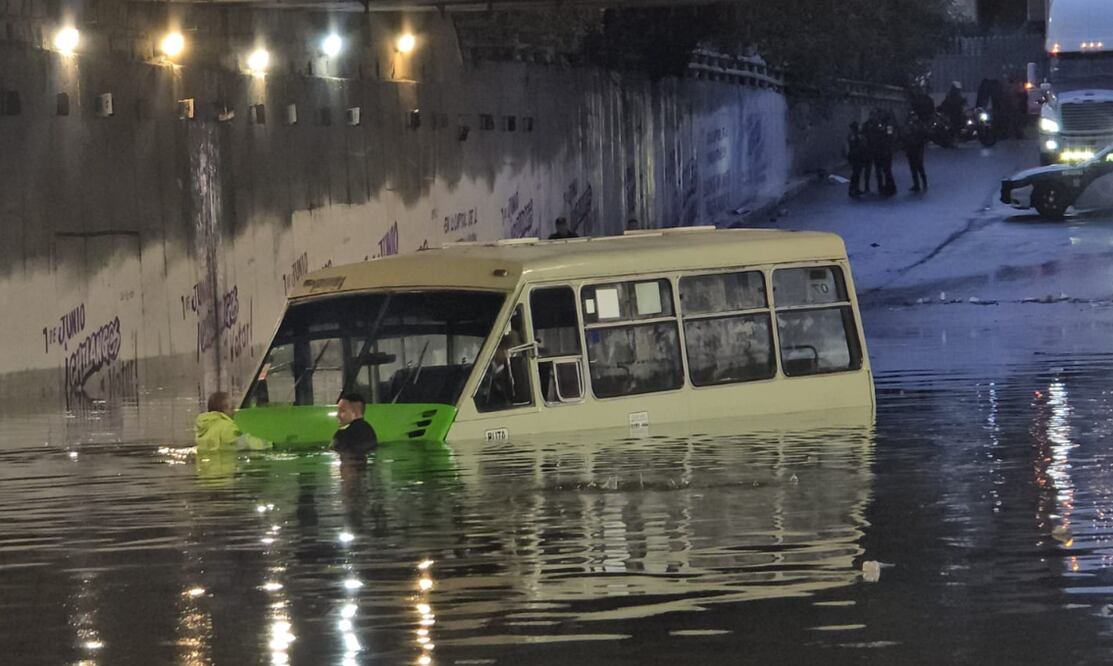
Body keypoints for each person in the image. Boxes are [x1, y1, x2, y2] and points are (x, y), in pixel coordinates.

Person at [332, 392, 378, 457]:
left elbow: (335, 452)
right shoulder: (370, 431)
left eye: (342, 411)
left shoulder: (343, 433)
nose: (337, 415)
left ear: (355, 413)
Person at [904, 111, 929, 192]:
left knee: (919, 167)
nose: (913, 117)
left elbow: (924, 135)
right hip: (911, 149)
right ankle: (916, 184)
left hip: (918, 148)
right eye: (912, 116)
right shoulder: (909, 125)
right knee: (913, 169)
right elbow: (906, 135)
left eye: (914, 116)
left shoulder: (920, 125)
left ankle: (924, 183)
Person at [847, 121, 870, 197]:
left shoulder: (856, 135)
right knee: (855, 174)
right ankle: (852, 189)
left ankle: (855, 189)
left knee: (857, 173)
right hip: (856, 156)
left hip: (858, 156)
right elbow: (855, 144)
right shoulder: (853, 136)